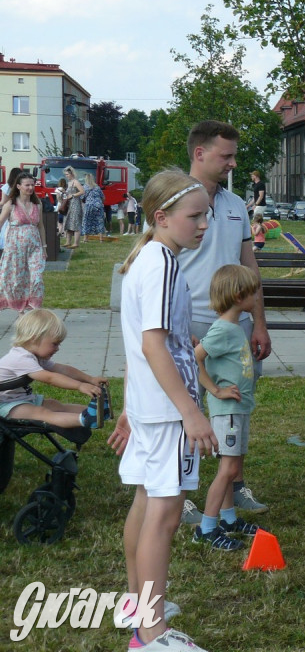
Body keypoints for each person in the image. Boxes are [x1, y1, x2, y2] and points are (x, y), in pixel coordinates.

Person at [109, 168, 218, 651]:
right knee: (165, 514)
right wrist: (190, 412)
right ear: (161, 217)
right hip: (168, 411)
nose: (203, 225)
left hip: (150, 406)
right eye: (195, 217)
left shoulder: (147, 258)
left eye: (206, 216)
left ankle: (138, 606)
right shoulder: (163, 265)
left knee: (146, 502)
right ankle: (151, 632)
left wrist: (130, 406)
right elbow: (154, 345)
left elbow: (140, 343)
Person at [177, 120, 272, 525]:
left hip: (236, 323)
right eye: (226, 156)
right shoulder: (173, 201)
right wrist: (172, 326)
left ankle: (234, 485)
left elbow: (249, 266)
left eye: (234, 156)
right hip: (188, 322)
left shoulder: (235, 205)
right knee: (184, 406)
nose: (233, 164)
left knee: (236, 399)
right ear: (200, 153)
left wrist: (259, 320)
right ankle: (179, 494)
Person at [191, 264, 264, 551]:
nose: (257, 298)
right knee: (228, 468)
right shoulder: (222, 329)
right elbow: (195, 358)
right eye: (253, 293)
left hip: (239, 409)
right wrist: (216, 389)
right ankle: (207, 528)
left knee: (231, 468)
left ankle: (229, 519)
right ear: (237, 296)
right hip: (227, 412)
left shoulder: (232, 327)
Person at [0, 309, 106, 428]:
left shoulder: (34, 356)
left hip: (20, 399)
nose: (57, 348)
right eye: (54, 344)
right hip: (4, 404)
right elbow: (50, 378)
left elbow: (62, 369)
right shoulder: (20, 358)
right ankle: (86, 420)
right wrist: (79, 386)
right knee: (42, 413)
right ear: (34, 339)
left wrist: (90, 379)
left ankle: (98, 413)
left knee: (55, 405)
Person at [0, 173, 46, 313]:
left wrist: (44, 247)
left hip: (34, 247)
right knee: (17, 280)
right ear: (19, 186)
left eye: (32, 185)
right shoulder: (11, 204)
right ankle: (20, 310)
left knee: (37, 278)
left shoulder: (37, 204)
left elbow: (41, 226)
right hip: (15, 248)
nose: (30, 188)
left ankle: (34, 308)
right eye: (27, 185)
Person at [62, 167, 85, 249]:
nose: (66, 176)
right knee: (68, 222)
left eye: (67, 174)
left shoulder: (76, 182)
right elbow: (68, 193)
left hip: (75, 204)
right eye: (65, 174)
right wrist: (64, 192)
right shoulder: (69, 182)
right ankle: (68, 242)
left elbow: (82, 191)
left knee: (75, 223)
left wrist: (73, 195)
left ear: (71, 174)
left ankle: (76, 243)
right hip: (69, 205)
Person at [81, 172, 106, 238]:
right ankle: (101, 238)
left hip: (89, 205)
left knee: (87, 221)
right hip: (98, 205)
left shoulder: (85, 187)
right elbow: (103, 197)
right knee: (99, 221)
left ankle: (85, 238)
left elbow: (82, 198)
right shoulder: (97, 187)